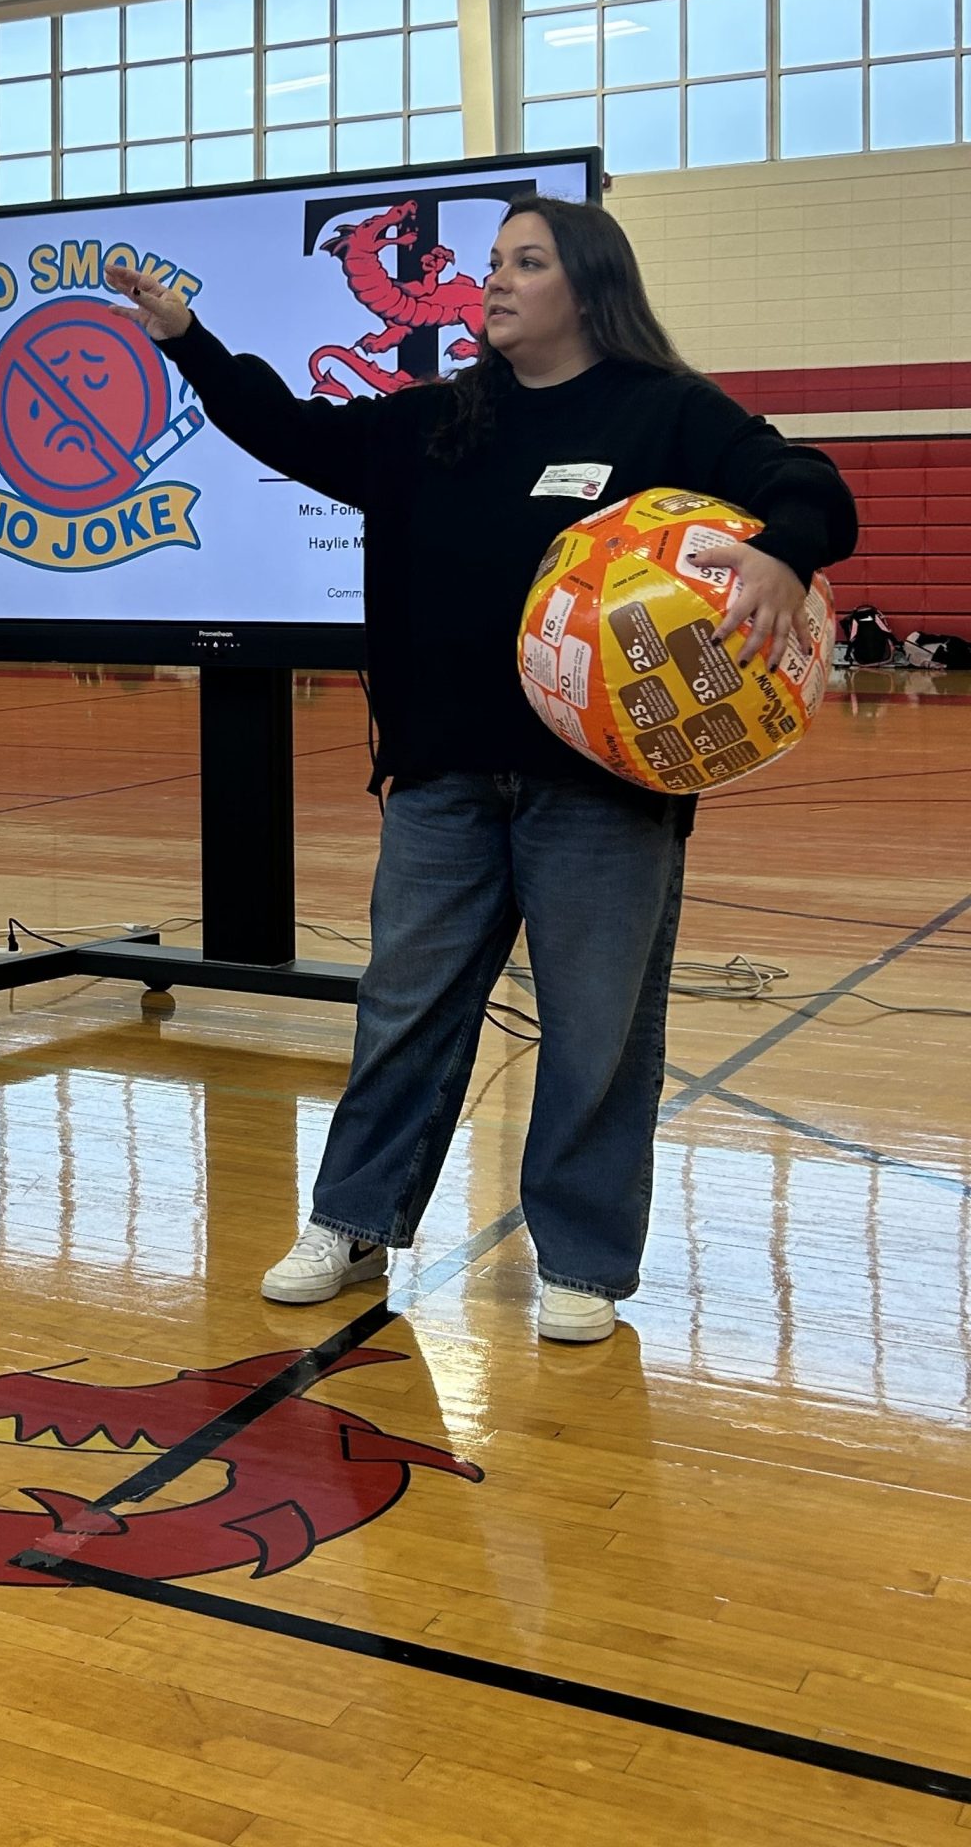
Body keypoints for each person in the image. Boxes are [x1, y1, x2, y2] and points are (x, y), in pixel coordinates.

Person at [109, 201, 856, 1343]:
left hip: (605, 795)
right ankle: (352, 1219)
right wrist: (187, 339)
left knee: (598, 1029)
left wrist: (781, 552)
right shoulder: (439, 421)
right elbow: (292, 431)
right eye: (494, 261)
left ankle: (586, 1260)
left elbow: (809, 481)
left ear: (589, 285)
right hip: (446, 778)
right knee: (402, 1009)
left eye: (527, 261)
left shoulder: (665, 413)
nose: (495, 280)